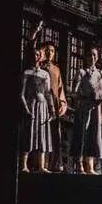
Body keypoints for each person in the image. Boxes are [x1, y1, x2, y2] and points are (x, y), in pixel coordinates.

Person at [71, 46, 102, 175]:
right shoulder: (81, 72)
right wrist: (83, 98)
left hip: (96, 108)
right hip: (84, 107)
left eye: (94, 55)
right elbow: (74, 92)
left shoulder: (100, 74)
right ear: (86, 57)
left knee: (93, 135)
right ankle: (80, 164)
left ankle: (90, 166)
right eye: (90, 55)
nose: (92, 58)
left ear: (97, 57)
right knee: (82, 134)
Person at [19, 43, 54, 173]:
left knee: (42, 134)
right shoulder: (27, 72)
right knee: (29, 133)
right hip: (31, 106)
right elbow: (22, 94)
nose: (36, 57)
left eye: (38, 54)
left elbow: (48, 93)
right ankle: (24, 165)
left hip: (43, 107)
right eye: (34, 54)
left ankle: (41, 166)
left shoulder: (45, 74)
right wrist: (26, 108)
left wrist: (51, 110)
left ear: (41, 56)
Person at [40, 41, 68, 170]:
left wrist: (62, 103)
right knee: (41, 134)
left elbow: (60, 88)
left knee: (55, 135)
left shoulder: (56, 69)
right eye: (47, 50)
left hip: (54, 106)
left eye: (52, 51)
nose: (49, 53)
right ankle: (40, 164)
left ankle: (55, 165)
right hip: (41, 104)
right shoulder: (38, 66)